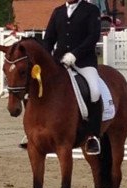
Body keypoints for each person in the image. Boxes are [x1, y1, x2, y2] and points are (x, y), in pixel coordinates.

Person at [43, 0, 102, 155]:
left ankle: (93, 136)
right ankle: (35, 131)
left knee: (94, 91)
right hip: (60, 62)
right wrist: (43, 60)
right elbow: (49, 39)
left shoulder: (91, 10)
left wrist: (75, 54)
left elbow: (93, 37)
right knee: (40, 87)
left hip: (84, 62)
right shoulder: (58, 12)